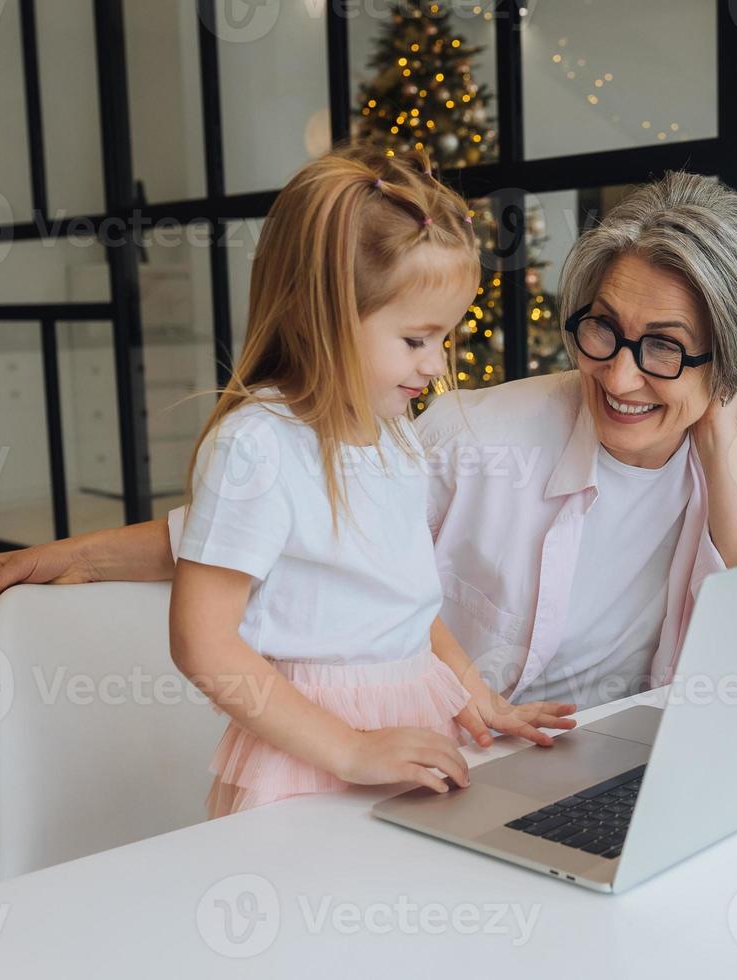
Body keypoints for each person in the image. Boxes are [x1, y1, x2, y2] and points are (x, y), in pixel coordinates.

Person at [0, 168, 737, 713]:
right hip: (463, 759)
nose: (620, 374)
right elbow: (281, 524)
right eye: (601, 328)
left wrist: (724, 456)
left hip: (628, 766)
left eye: (664, 348)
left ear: (735, 362)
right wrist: (74, 558)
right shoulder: (477, 434)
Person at [157, 142, 572, 819]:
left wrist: (476, 696)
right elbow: (202, 641)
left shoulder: (394, 434)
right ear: (318, 313)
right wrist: (349, 749)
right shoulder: (256, 446)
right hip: (311, 754)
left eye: (444, 338)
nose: (435, 365)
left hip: (412, 727)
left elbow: (410, 608)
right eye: (414, 340)